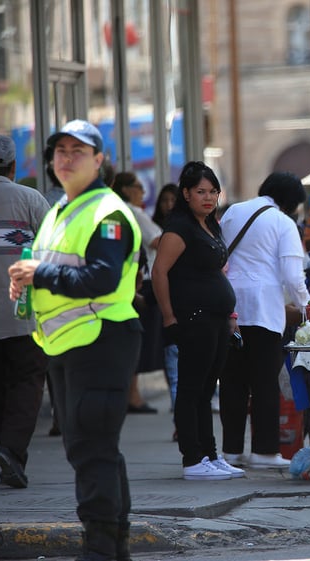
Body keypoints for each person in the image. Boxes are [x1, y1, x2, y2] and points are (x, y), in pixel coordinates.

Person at [7, 120, 142, 560]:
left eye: (77, 151)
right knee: (90, 447)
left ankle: (101, 549)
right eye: (60, 151)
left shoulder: (109, 213)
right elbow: (51, 269)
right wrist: (27, 282)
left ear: (100, 160)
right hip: (67, 345)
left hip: (101, 341)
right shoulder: (60, 211)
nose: (66, 158)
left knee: (92, 449)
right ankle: (113, 546)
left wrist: (39, 273)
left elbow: (101, 278)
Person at [152, 160, 242, 481]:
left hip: (217, 319)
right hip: (193, 318)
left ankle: (211, 455)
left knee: (206, 391)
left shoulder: (211, 224)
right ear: (186, 193)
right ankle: (192, 458)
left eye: (213, 191)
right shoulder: (179, 228)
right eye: (200, 191)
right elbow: (159, 272)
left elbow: (217, 270)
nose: (208, 197)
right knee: (191, 390)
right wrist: (168, 316)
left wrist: (230, 315)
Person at [217, 171, 310, 469]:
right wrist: (309, 308)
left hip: (230, 306)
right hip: (263, 310)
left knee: (233, 382)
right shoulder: (283, 223)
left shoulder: (232, 212)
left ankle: (231, 451)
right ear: (291, 204)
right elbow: (293, 277)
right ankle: (264, 451)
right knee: (264, 383)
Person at [0, 134, 50, 489]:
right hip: (25, 312)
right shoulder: (30, 199)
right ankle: (11, 450)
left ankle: (8, 452)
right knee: (27, 383)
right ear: (13, 167)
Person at [112, 171, 163, 414]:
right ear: (126, 189)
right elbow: (157, 241)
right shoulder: (133, 212)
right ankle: (132, 395)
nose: (142, 191)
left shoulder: (121, 211)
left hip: (132, 281)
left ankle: (132, 394)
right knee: (137, 341)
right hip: (141, 281)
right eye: (138, 187)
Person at [152, 182, 180, 414]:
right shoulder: (161, 231)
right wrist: (169, 315)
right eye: (165, 200)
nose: (169, 205)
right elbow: (159, 271)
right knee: (174, 367)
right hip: (168, 305)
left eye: (174, 200)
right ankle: (179, 419)